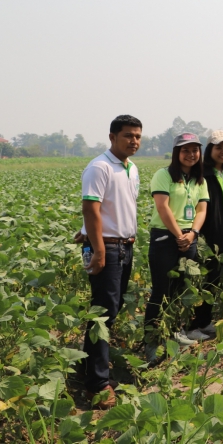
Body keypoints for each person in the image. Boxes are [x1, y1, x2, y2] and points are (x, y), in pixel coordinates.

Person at [78, 114, 142, 409]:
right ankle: (98, 385)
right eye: (128, 135)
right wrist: (99, 249)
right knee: (103, 315)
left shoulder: (131, 168)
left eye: (137, 136)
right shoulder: (100, 167)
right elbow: (91, 208)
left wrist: (86, 232)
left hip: (124, 246)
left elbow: (111, 208)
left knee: (108, 312)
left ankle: (88, 370)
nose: (134, 141)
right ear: (112, 137)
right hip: (108, 248)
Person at [144, 133, 210, 364]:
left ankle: (174, 332)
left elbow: (201, 210)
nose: (191, 154)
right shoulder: (163, 175)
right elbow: (162, 208)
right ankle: (152, 341)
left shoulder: (199, 180)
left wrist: (193, 233)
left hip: (189, 237)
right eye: (185, 150)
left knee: (180, 289)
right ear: (176, 153)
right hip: (165, 237)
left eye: (195, 150)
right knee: (161, 290)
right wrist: (179, 234)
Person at [189, 129, 223, 339]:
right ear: (209, 150)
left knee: (215, 279)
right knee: (204, 279)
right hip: (208, 234)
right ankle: (194, 324)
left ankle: (204, 321)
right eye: (219, 147)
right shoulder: (202, 175)